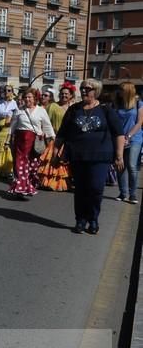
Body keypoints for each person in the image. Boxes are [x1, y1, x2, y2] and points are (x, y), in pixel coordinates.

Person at [52, 79, 124, 234]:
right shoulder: (73, 110)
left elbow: (119, 134)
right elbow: (62, 134)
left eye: (87, 89)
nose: (83, 91)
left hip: (100, 157)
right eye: (82, 88)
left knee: (96, 188)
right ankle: (80, 220)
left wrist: (119, 155)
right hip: (77, 156)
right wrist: (55, 153)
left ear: (95, 91)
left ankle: (93, 219)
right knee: (80, 190)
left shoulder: (106, 110)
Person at [7, 88, 55, 198]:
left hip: (34, 143)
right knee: (20, 164)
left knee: (32, 167)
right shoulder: (19, 110)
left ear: (35, 99)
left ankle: (29, 185)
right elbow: (12, 127)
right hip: (20, 142)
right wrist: (8, 140)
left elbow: (47, 125)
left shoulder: (41, 110)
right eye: (25, 97)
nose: (27, 99)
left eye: (29, 97)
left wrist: (52, 138)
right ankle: (20, 188)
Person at [37, 84, 71, 191]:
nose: (64, 96)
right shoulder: (52, 106)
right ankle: (49, 182)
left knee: (64, 163)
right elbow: (46, 122)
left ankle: (63, 183)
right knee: (53, 159)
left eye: (66, 94)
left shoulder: (73, 108)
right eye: (62, 93)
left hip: (68, 139)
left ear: (71, 96)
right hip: (55, 138)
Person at [114, 81, 143, 203]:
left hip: (135, 137)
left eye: (122, 90)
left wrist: (129, 136)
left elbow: (139, 122)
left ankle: (133, 194)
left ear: (128, 91)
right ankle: (123, 193)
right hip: (119, 138)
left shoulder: (138, 103)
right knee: (120, 166)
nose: (119, 92)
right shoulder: (116, 104)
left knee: (131, 165)